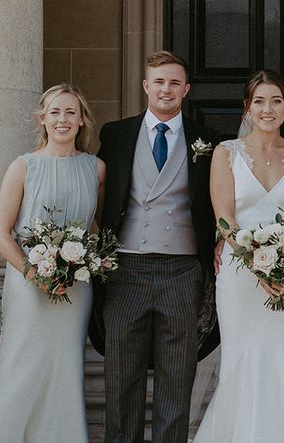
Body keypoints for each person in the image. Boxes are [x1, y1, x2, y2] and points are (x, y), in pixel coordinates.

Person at [0, 84, 104, 443]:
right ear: (43, 118)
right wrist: (32, 272)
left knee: (65, 367)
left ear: (82, 119)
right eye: (56, 112)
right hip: (28, 286)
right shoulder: (23, 166)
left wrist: (86, 261)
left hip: (76, 287)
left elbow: (95, 227)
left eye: (71, 112)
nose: (63, 119)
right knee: (20, 366)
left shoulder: (96, 168)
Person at [90, 51, 220, 443]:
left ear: (186, 89)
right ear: (146, 85)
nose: (166, 89)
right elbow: (95, 188)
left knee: (177, 379)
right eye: (159, 81)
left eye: (174, 82)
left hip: (182, 270)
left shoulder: (209, 140)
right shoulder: (116, 134)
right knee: (122, 379)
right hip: (125, 269)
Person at [193, 69, 284, 443]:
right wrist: (259, 267)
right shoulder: (226, 153)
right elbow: (225, 219)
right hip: (239, 273)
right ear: (248, 107)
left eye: (276, 101)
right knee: (241, 358)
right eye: (260, 101)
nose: (268, 109)